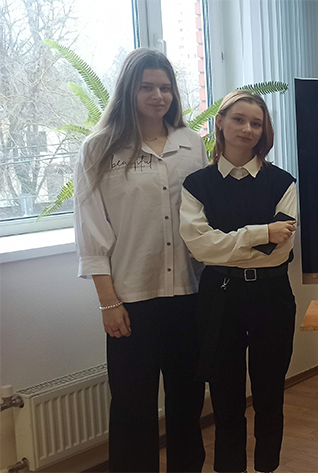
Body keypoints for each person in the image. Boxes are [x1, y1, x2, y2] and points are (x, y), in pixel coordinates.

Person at [74, 48, 207, 472]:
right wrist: (108, 303)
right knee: (133, 410)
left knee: (187, 403)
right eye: (147, 87)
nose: (158, 96)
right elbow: (91, 233)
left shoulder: (192, 144)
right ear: (129, 90)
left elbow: (204, 216)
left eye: (165, 87)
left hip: (188, 293)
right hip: (130, 300)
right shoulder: (98, 149)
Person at [179, 90, 297, 473]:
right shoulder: (197, 185)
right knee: (225, 399)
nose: (247, 129)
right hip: (219, 298)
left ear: (264, 131)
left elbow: (278, 251)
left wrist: (226, 244)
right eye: (239, 119)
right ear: (220, 123)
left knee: (269, 395)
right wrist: (260, 232)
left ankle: (267, 467)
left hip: (272, 295)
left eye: (256, 123)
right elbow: (199, 247)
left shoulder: (283, 182)